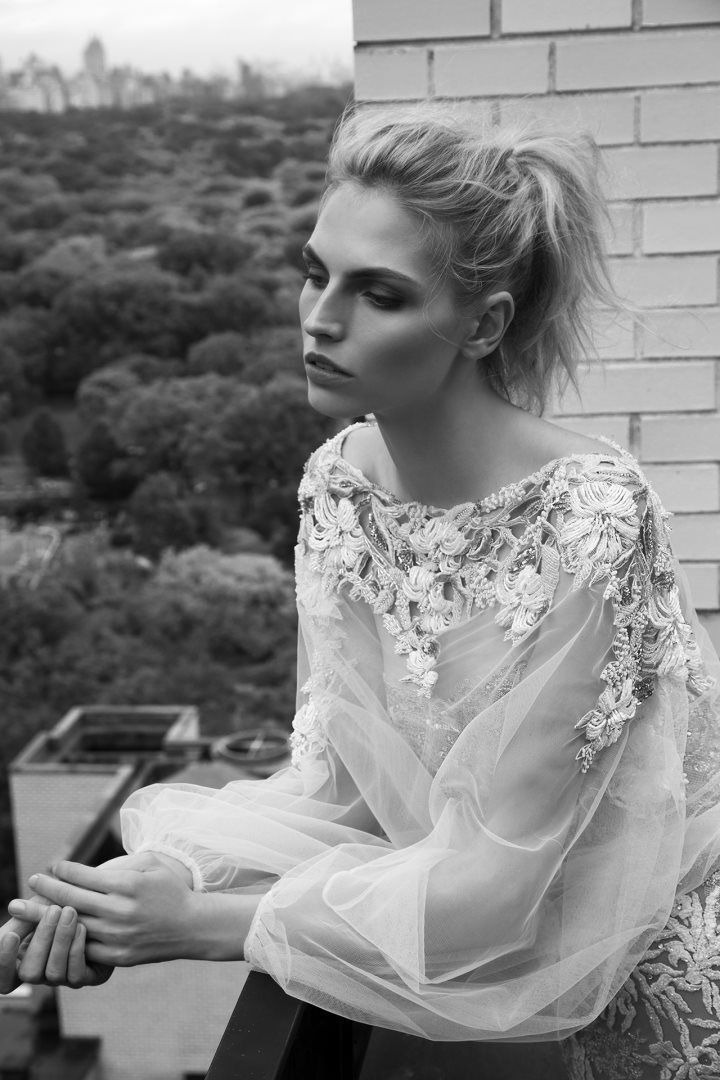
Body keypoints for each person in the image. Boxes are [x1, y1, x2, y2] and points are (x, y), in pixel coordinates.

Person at [2, 100, 720, 1079]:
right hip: (480, 982)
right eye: (315, 273)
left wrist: (203, 923)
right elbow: (342, 790)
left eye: (379, 294)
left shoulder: (594, 519)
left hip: (644, 983)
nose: (321, 318)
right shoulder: (339, 487)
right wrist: (138, 887)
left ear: (484, 324)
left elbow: (496, 888)